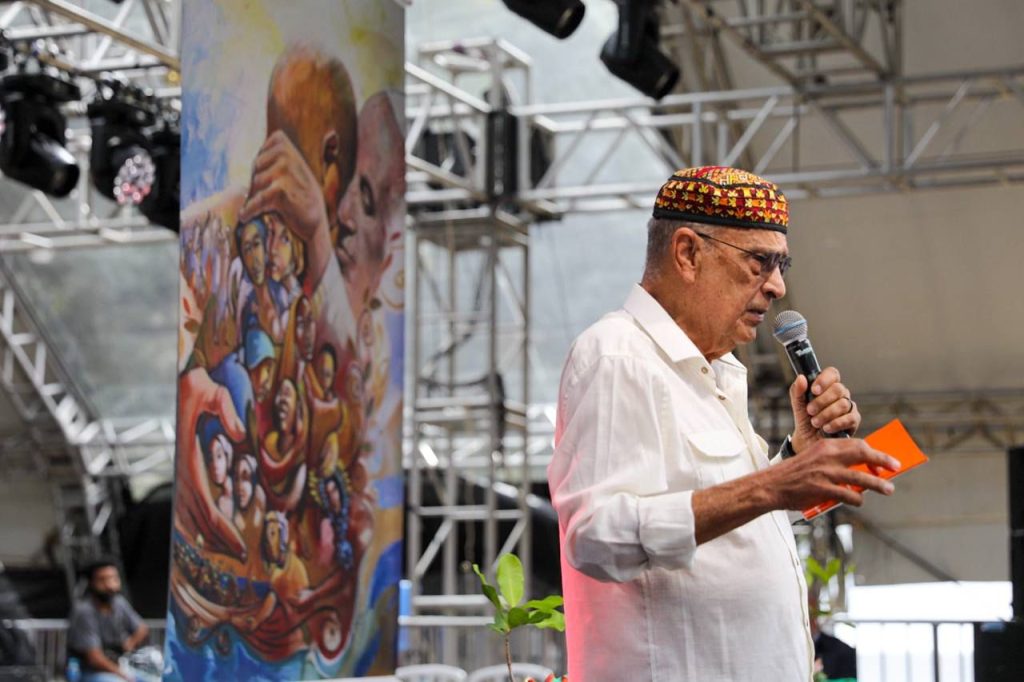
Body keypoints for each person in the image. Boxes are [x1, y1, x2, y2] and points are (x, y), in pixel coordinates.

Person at [547, 166, 901, 682]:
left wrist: (795, 460)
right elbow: (596, 536)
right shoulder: (618, 355)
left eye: (782, 264)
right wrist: (771, 485)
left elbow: (731, 529)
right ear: (688, 253)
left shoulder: (717, 370)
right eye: (760, 261)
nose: (778, 286)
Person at [66, 560, 149, 682]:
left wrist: (130, 643)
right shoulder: (84, 611)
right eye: (103, 580)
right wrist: (123, 675)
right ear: (91, 583)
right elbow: (95, 658)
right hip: (89, 672)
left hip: (120, 667)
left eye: (114, 579)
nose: (110, 585)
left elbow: (142, 628)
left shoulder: (119, 603)